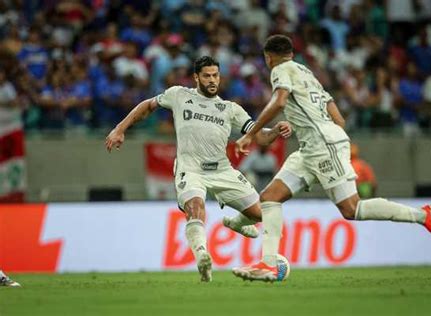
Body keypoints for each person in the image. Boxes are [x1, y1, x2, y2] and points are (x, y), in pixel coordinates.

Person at [232, 35, 431, 282]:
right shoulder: (306, 72)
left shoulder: (280, 69)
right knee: (270, 198)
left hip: (322, 145)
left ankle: (423, 215)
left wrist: (253, 132)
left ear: (268, 57)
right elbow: (336, 114)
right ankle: (268, 264)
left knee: (352, 208)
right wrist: (306, 126)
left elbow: (279, 100)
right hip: (312, 146)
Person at [105, 56, 292, 282]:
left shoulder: (230, 108)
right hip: (190, 169)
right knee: (195, 207)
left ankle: (236, 223)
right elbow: (147, 106)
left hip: (222, 170)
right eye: (207, 76)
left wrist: (275, 131)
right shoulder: (179, 95)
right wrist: (119, 129)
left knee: (261, 214)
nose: (212, 80)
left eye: (215, 75)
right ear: (196, 77)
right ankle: (202, 255)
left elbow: (260, 137)